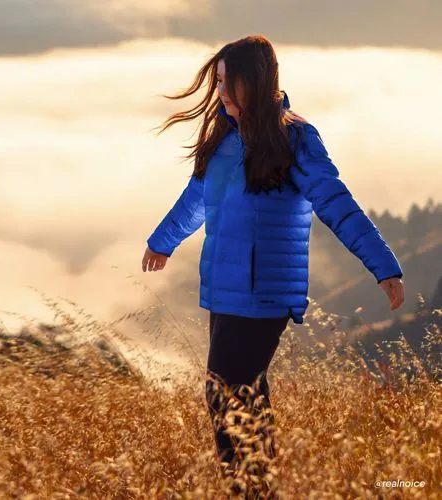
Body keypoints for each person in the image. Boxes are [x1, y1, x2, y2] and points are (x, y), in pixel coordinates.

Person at [141, 35, 405, 482]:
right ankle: (260, 485)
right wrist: (163, 240)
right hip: (224, 293)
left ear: (258, 81)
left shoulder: (295, 138)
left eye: (231, 82)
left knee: (223, 394)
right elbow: (198, 197)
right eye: (218, 81)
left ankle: (247, 489)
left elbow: (337, 204)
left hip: (264, 294)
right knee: (246, 395)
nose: (221, 92)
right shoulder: (223, 135)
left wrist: (383, 266)